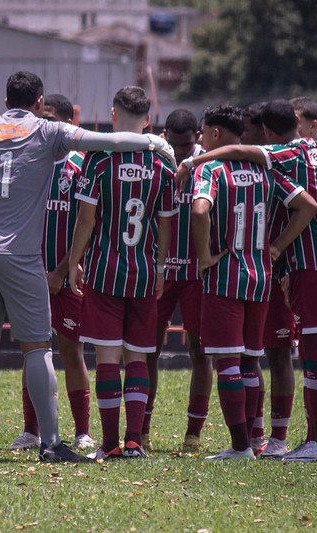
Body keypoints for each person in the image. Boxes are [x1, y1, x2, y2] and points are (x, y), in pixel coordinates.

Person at [0, 71, 175, 462]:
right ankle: (50, 443)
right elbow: (110, 140)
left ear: (5, 102)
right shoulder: (49, 132)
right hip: (21, 256)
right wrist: (152, 140)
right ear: (39, 102)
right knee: (37, 350)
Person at [178, 99, 317, 463]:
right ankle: (274, 439)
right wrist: (274, 249)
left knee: (245, 358)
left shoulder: (264, 160)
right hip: (291, 267)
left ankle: (267, 444)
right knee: (267, 355)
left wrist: (210, 254)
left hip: (251, 269)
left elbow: (200, 210)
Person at [67, 86, 176, 460]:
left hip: (104, 273)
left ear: (113, 115)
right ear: (148, 121)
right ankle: (133, 442)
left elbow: (86, 219)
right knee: (139, 358)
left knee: (108, 358)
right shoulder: (162, 166)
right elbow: (165, 225)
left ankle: (110, 443)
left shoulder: (97, 161)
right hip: (144, 273)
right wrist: (161, 268)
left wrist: (72, 262)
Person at [8, 94, 96, 451]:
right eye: (39, 119)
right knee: (32, 351)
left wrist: (62, 270)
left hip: (67, 277)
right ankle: (33, 430)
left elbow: (90, 224)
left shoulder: (79, 166)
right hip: (30, 276)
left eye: (50, 120)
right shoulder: (27, 162)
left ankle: (82, 432)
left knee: (72, 350)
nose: (42, 127)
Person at [144, 109, 211, 453]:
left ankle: (193, 434)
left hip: (196, 274)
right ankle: (141, 430)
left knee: (199, 351)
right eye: (176, 144)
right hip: (161, 271)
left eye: (188, 144)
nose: (182, 151)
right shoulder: (155, 161)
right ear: (164, 134)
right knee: (147, 350)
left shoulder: (208, 163)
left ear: (198, 136)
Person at [241, 101, 296, 459]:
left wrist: (278, 249)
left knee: (277, 354)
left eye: (248, 129)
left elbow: (310, 204)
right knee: (249, 354)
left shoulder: (278, 165)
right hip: (246, 271)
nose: (244, 136)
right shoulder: (249, 166)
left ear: (264, 132)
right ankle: (254, 434)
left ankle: (277, 437)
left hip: (275, 274)